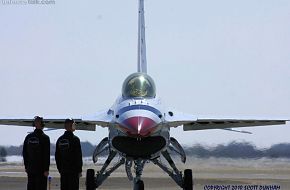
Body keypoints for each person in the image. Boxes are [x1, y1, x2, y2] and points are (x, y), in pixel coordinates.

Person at [23, 116, 50, 190]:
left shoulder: (28, 137)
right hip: (40, 169)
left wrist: (26, 166)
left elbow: (25, 153)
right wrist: (46, 169)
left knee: (31, 186)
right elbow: (46, 155)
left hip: (31, 168)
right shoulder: (45, 138)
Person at [55, 118, 83, 190]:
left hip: (63, 170)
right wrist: (79, 170)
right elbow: (78, 156)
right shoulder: (75, 139)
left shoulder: (60, 139)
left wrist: (60, 169)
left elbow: (57, 156)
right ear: (72, 126)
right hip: (73, 171)